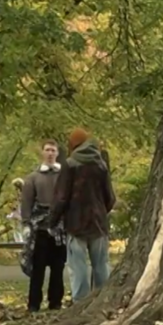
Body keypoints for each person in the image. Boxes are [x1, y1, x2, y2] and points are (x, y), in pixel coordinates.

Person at [51, 129, 116, 303]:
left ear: (72, 145)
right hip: (99, 223)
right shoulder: (101, 164)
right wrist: (101, 212)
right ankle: (102, 301)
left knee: (77, 267)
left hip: (75, 223)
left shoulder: (70, 164)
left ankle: (80, 302)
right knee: (101, 265)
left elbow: (61, 197)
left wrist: (53, 220)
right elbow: (110, 198)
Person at [19, 139, 67, 311]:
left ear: (57, 153)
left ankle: (55, 302)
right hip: (39, 229)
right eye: (47, 150)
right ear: (42, 152)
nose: (50, 153)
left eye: (53, 150)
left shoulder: (64, 176)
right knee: (37, 269)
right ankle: (34, 304)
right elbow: (26, 203)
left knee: (58, 268)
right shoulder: (33, 178)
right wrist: (25, 224)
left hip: (60, 228)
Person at [5, 178, 25, 243]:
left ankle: (19, 243)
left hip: (19, 213)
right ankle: (21, 242)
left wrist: (13, 207)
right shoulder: (25, 192)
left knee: (18, 229)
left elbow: (16, 205)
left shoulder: (19, 193)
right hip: (22, 212)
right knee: (20, 228)